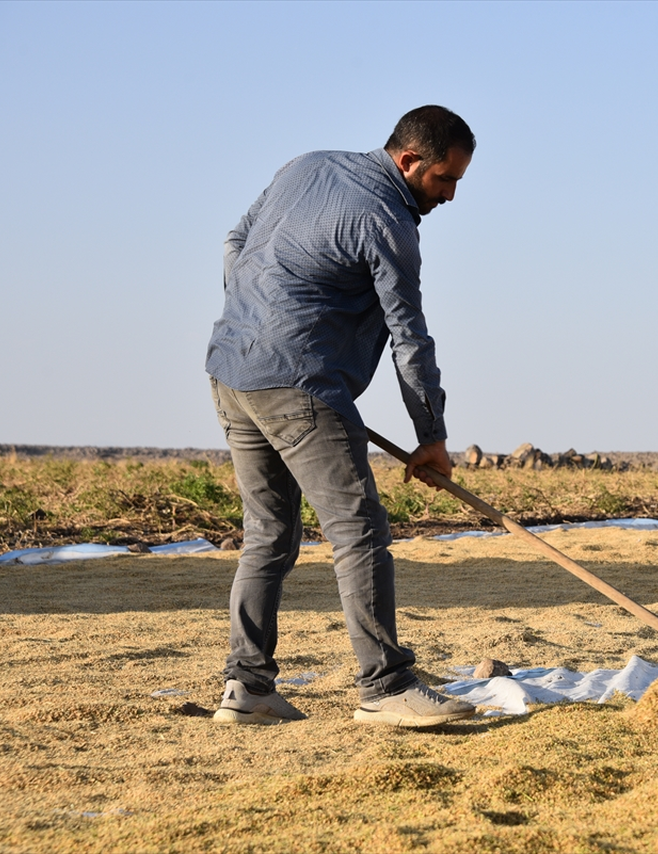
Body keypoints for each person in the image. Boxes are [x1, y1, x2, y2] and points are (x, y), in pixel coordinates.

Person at [204, 105, 476, 728]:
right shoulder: (388, 223)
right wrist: (430, 436)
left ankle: (247, 689)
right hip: (298, 383)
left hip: (230, 368)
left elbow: (234, 244)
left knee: (268, 535)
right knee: (358, 529)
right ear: (409, 161)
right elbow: (411, 338)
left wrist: (253, 319)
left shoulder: (306, 166)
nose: (451, 195)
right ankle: (385, 687)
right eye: (444, 179)